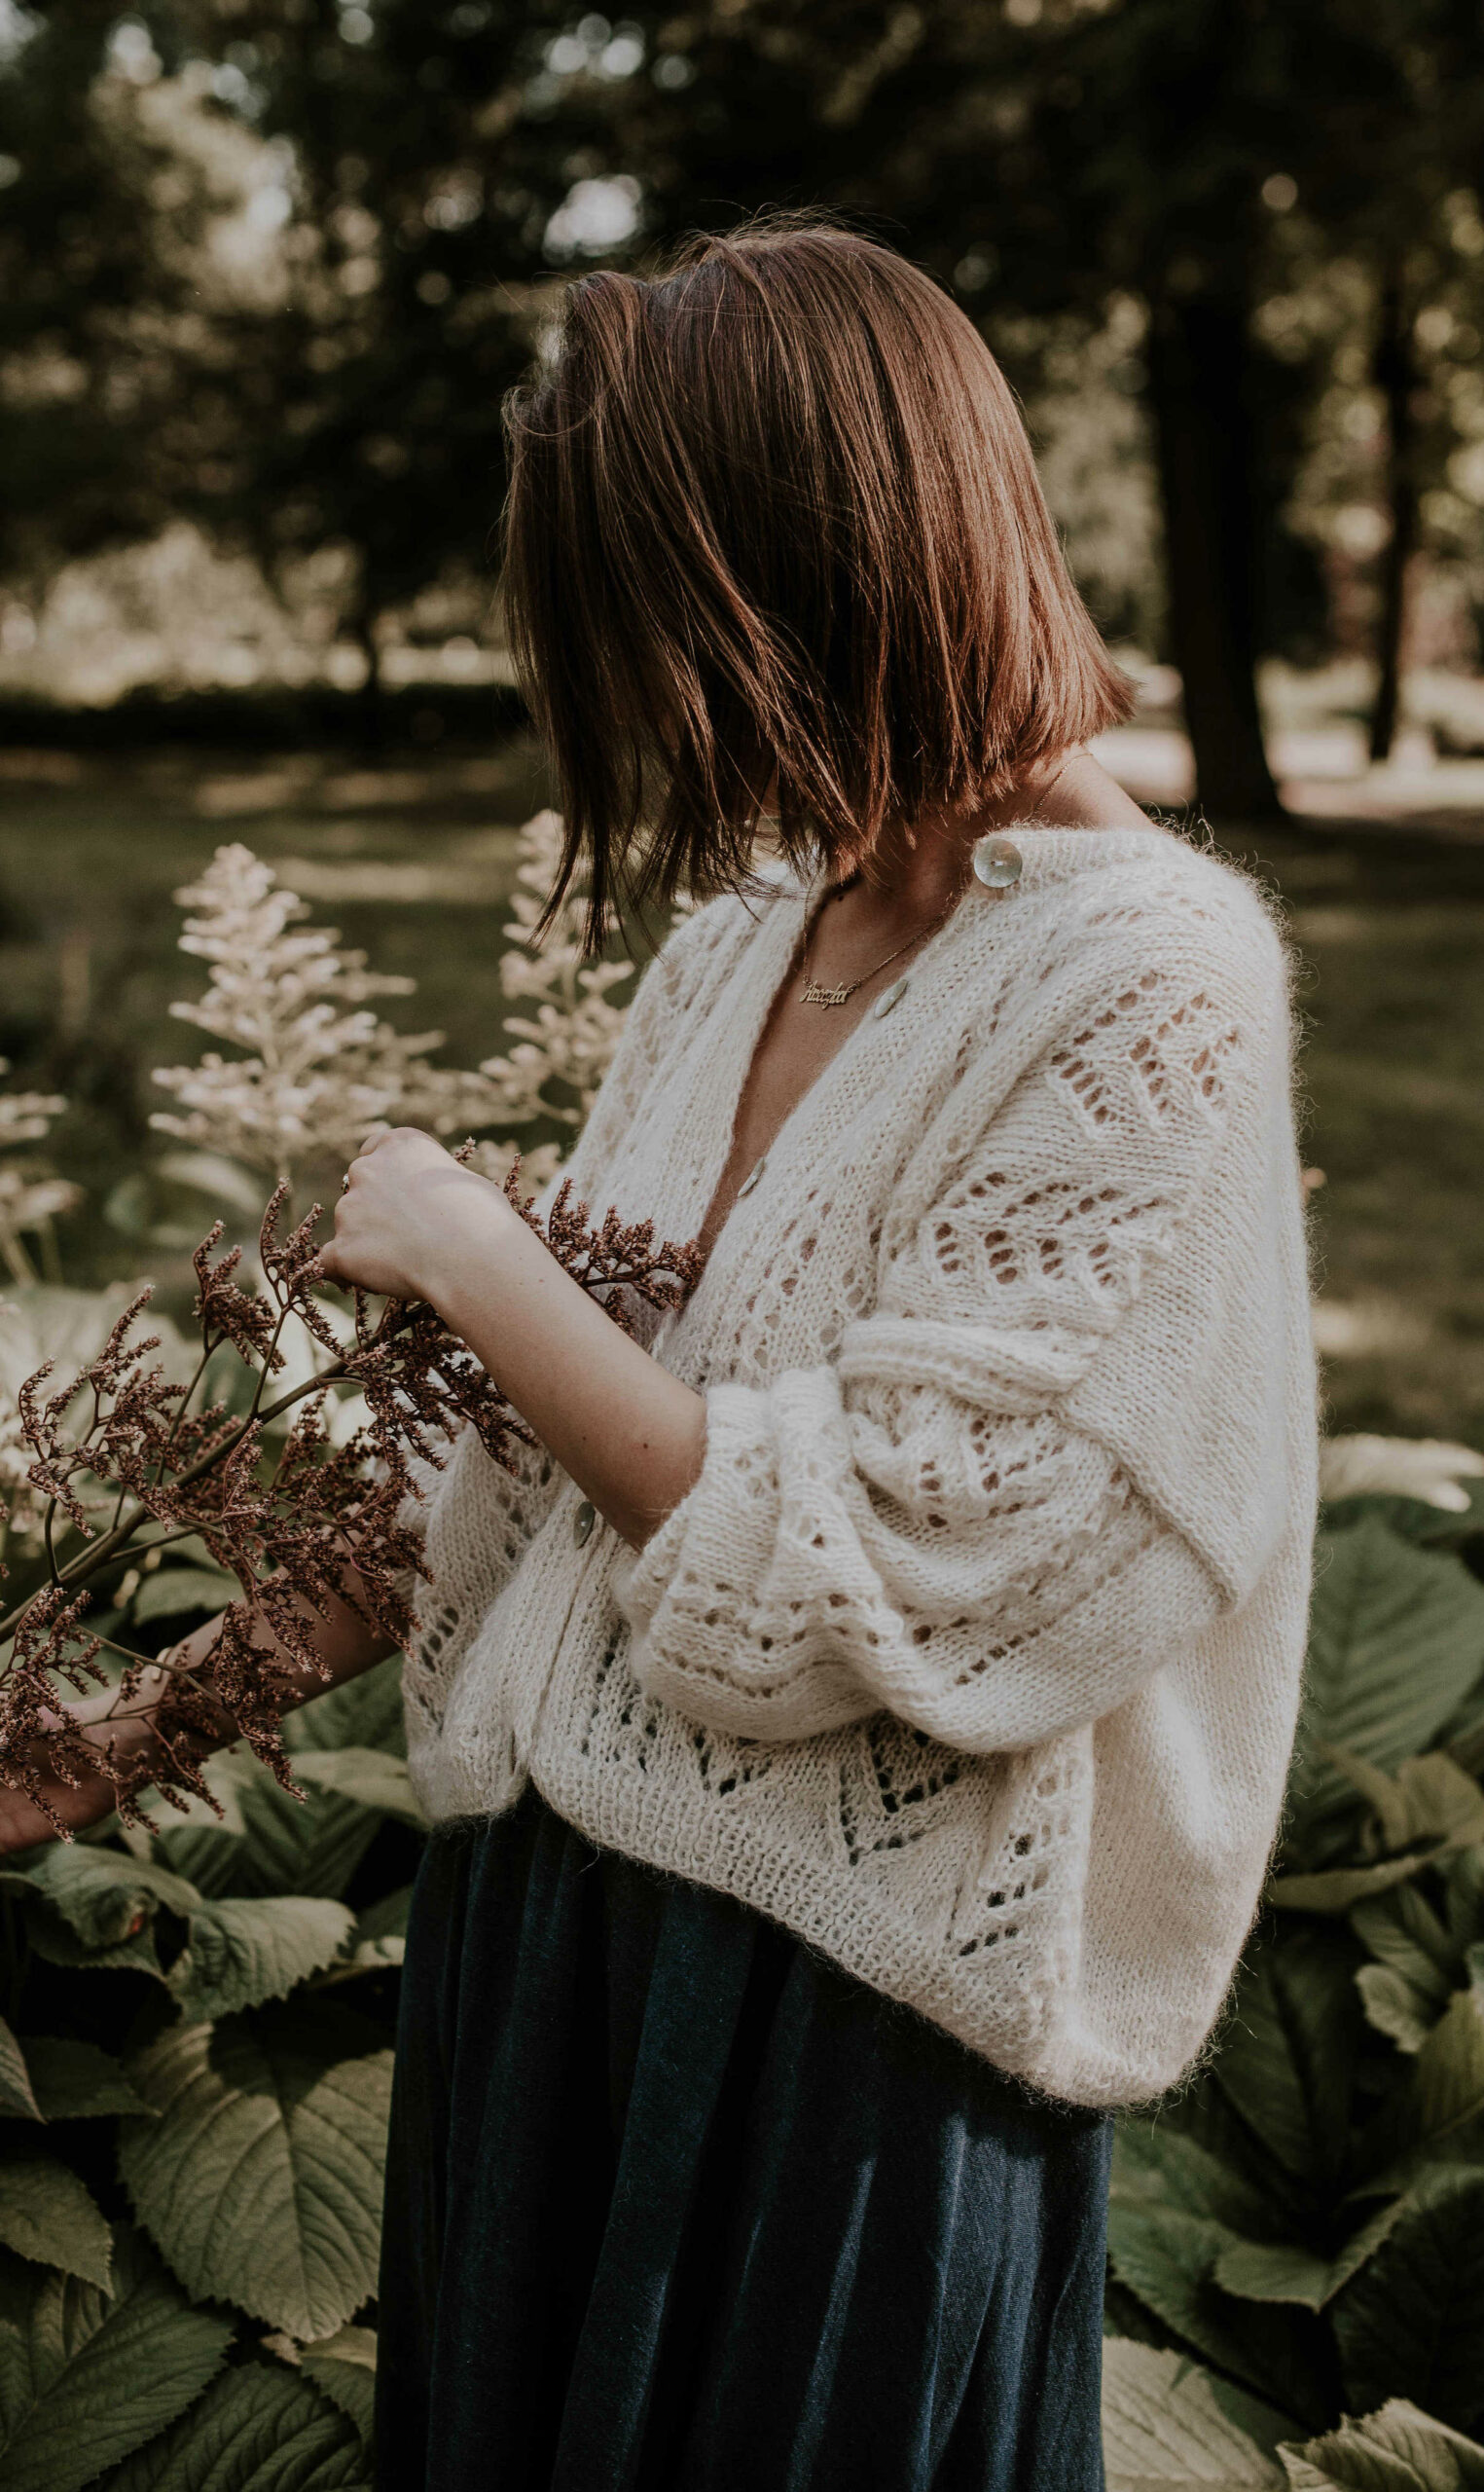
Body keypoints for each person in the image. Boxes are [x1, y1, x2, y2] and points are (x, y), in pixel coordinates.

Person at [2, 218, 1319, 2490]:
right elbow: (509, 1483)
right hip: (550, 1952)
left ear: (809, 574)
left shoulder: (1154, 979)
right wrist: (96, 1745)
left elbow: (907, 1572)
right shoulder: (744, 940)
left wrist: (478, 1255)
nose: (632, 699)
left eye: (647, 623)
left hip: (841, 2033)